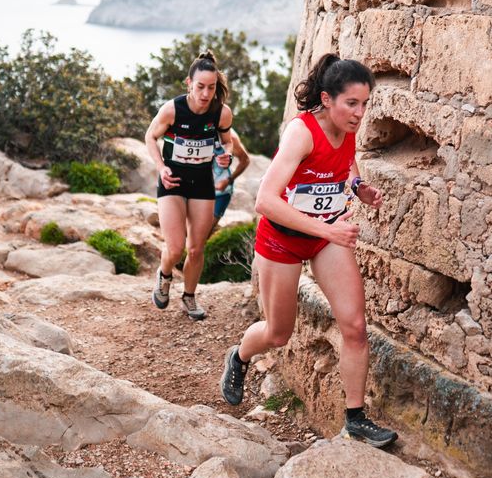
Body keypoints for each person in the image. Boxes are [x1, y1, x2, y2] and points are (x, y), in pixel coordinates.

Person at [219, 53, 398, 448]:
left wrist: (358, 188)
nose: (359, 113)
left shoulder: (347, 127)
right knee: (278, 333)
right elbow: (265, 200)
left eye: (365, 104)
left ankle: (355, 419)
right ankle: (240, 356)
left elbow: (344, 164)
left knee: (355, 326)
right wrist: (328, 229)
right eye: (351, 103)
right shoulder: (301, 133)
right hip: (281, 239)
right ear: (327, 99)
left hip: (323, 237)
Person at [144, 49, 233, 321]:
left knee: (196, 248)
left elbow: (227, 141)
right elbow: (150, 137)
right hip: (173, 182)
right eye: (200, 87)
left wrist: (226, 154)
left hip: (202, 183)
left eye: (211, 87)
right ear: (189, 83)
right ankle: (164, 274)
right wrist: (161, 167)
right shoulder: (172, 109)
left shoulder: (221, 113)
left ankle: (189, 296)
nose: (206, 94)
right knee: (175, 249)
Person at [207, 130, 251, 241]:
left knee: (202, 236)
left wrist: (228, 180)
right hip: (197, 190)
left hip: (220, 193)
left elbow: (245, 160)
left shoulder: (230, 136)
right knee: (188, 233)